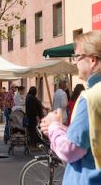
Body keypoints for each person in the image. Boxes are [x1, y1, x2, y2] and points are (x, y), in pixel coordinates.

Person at [40, 31, 101, 184]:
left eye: (77, 57)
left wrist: (54, 126)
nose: (74, 63)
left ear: (92, 60)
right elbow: (91, 139)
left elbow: (71, 150)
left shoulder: (91, 97)